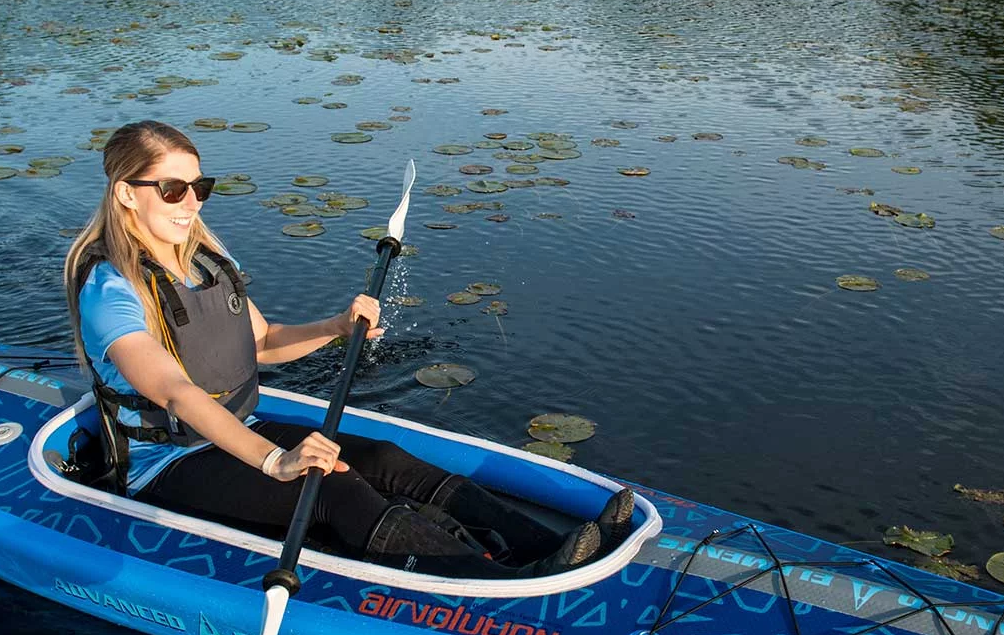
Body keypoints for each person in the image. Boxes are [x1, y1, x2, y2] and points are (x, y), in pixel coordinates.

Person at [62, 120, 632, 579]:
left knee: (383, 458)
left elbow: (261, 342)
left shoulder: (207, 259)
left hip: (238, 425)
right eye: (173, 189)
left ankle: (553, 547)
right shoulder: (111, 288)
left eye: (200, 188)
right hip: (169, 462)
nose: (192, 204)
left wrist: (335, 325)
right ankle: (492, 583)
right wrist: (274, 460)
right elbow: (176, 391)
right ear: (126, 195)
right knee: (333, 486)